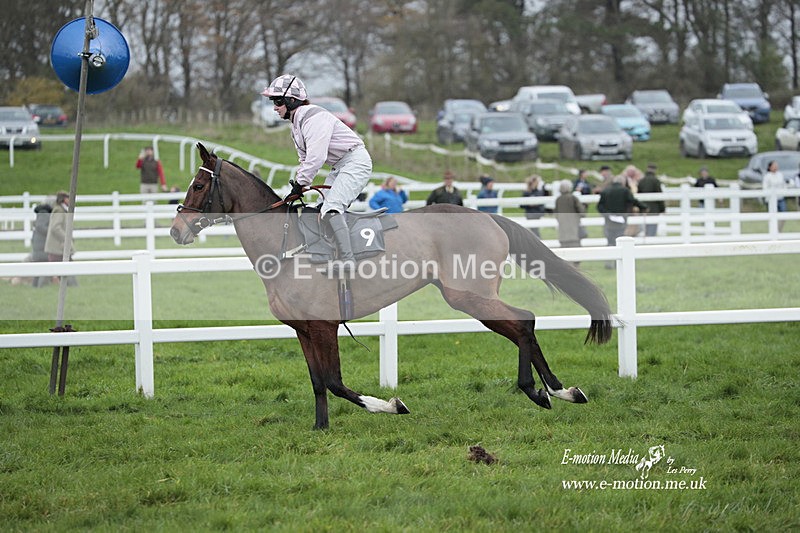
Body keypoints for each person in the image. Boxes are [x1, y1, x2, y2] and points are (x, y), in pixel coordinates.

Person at [262, 74, 372, 273]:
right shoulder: (296, 124)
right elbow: (304, 161)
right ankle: (323, 257)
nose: (275, 107)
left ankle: (348, 261)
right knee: (313, 211)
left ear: (291, 100)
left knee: (331, 209)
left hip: (355, 162)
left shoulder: (313, 117)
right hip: (340, 166)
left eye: (277, 101)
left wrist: (300, 184)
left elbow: (316, 157)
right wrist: (298, 186)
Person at [597, 175, 648, 268]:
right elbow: (633, 201)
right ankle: (617, 263)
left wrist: (607, 214)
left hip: (609, 221)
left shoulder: (605, 191)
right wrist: (643, 207)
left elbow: (600, 206)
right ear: (622, 182)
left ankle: (608, 263)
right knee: (619, 241)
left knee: (610, 241)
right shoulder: (625, 191)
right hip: (621, 220)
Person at [44, 191, 77, 285]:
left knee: (63, 270)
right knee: (58, 271)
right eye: (68, 198)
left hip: (60, 247)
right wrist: (66, 238)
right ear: (63, 199)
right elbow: (55, 228)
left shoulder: (61, 210)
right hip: (57, 247)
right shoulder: (59, 210)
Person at [554, 180, 586, 265]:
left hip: (563, 228)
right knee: (575, 247)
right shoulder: (573, 198)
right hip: (573, 228)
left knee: (564, 247)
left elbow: (556, 214)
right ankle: (575, 265)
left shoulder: (558, 199)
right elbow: (582, 212)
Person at [637, 163, 666, 237]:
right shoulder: (656, 181)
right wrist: (662, 208)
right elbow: (659, 196)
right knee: (652, 228)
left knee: (644, 227)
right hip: (654, 208)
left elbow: (638, 194)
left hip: (643, 208)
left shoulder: (641, 180)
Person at [30, 199, 53, 287]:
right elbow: (42, 227)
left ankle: (35, 286)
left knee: (38, 270)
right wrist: (51, 232)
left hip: (37, 247)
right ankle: (40, 286)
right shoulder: (44, 215)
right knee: (44, 268)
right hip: (42, 247)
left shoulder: (39, 216)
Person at [762, 160, 788, 231]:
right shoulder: (767, 176)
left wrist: (784, 192)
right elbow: (765, 187)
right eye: (774, 166)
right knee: (772, 215)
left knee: (784, 215)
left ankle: (779, 230)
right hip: (770, 200)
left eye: (776, 165)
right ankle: (773, 231)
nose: (775, 167)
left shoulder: (780, 174)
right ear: (770, 167)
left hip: (780, 198)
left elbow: (783, 185)